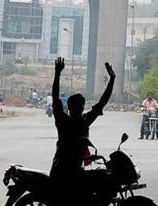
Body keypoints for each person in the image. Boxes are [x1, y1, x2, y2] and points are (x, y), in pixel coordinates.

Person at [49, 57, 115, 203]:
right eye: (79, 105)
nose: (80, 108)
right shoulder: (65, 120)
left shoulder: (81, 120)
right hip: (63, 171)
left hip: (75, 170)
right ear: (74, 107)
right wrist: (57, 74)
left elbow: (102, 102)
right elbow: (54, 98)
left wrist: (112, 79)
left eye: (81, 105)